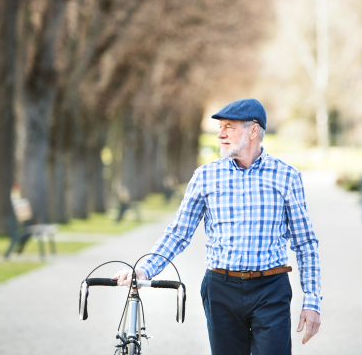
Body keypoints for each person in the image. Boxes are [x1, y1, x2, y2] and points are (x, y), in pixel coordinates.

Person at [113, 98, 321, 355]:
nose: (220, 134)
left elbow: (305, 243)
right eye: (220, 127)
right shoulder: (205, 176)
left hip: (271, 289)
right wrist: (144, 269)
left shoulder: (287, 177)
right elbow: (179, 233)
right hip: (221, 290)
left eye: (229, 127)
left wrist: (312, 301)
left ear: (254, 130)